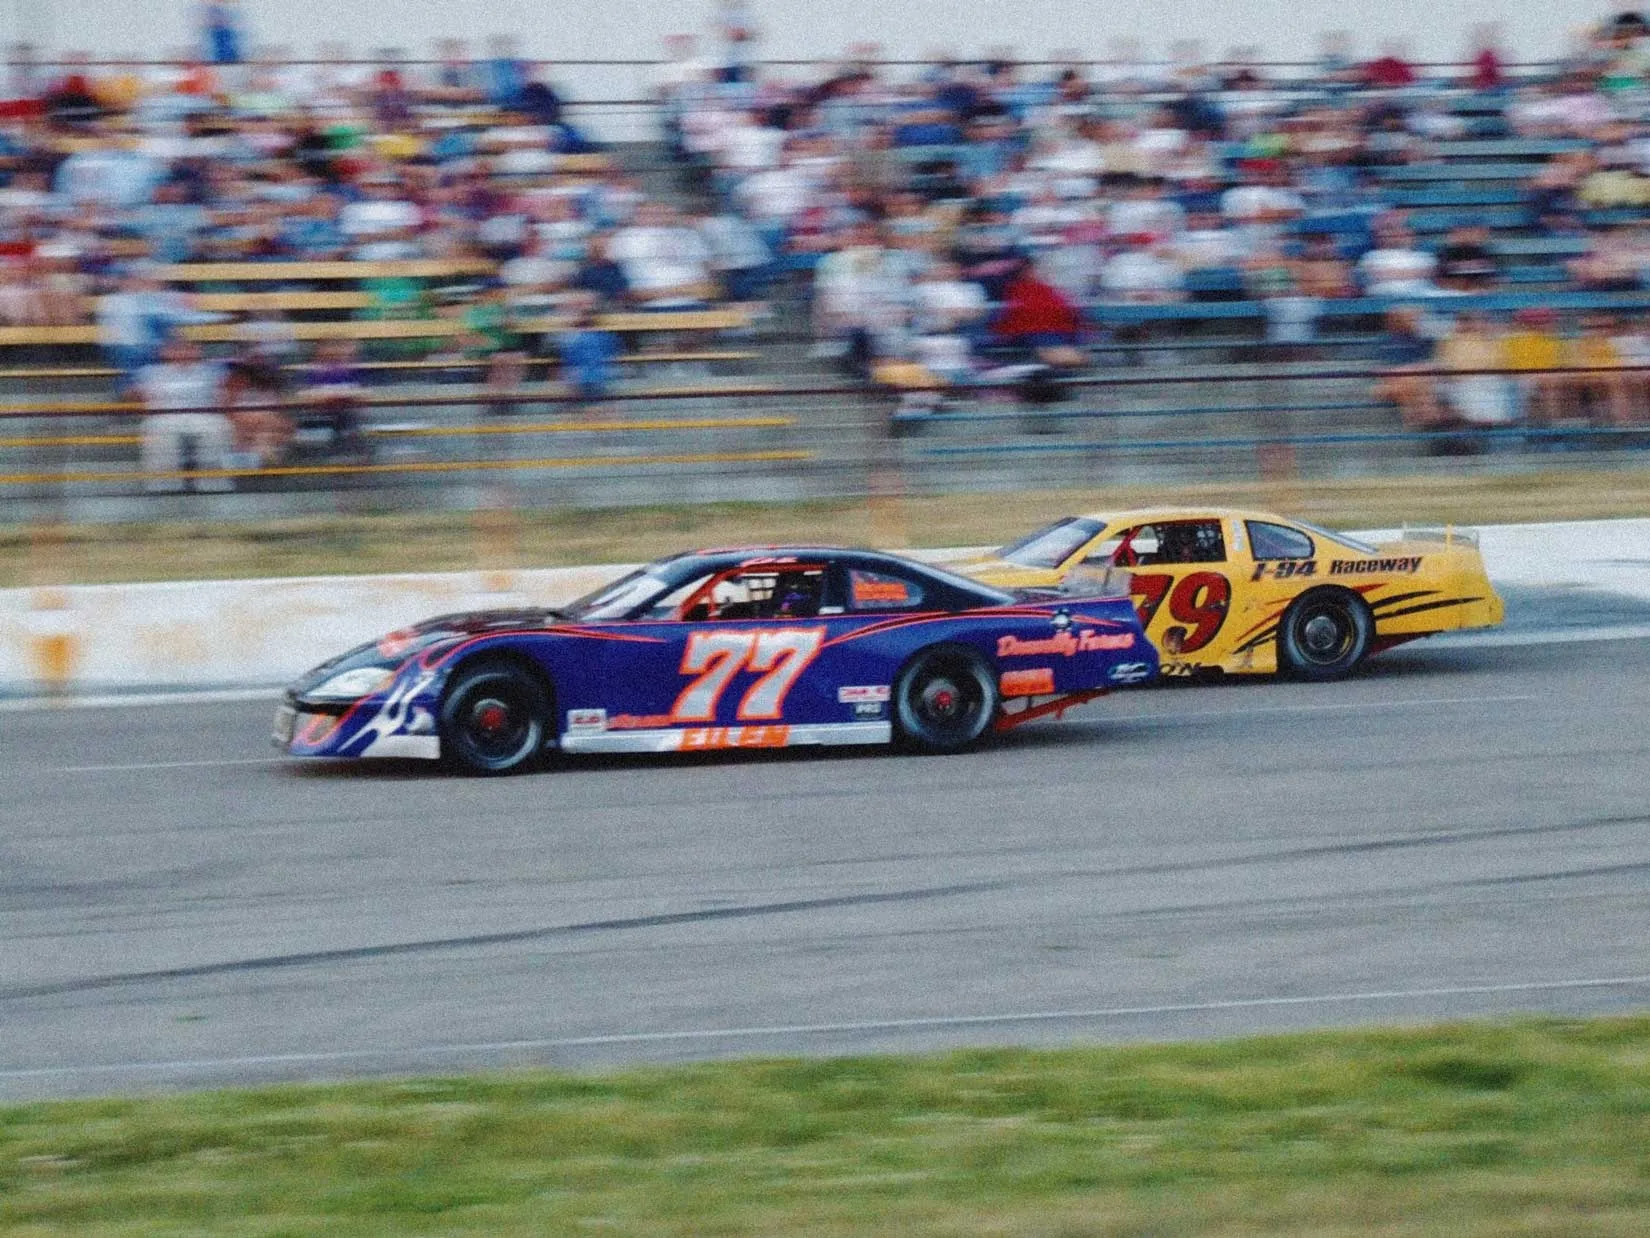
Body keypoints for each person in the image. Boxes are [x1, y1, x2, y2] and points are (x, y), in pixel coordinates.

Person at [136, 337, 232, 493]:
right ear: (165, 352)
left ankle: (213, 485)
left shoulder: (211, 371)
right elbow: (145, 398)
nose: (183, 352)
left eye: (188, 348)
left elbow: (222, 397)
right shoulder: (151, 373)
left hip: (203, 414)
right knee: (159, 429)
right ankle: (164, 487)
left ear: (197, 351)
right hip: (165, 416)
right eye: (177, 348)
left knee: (218, 428)